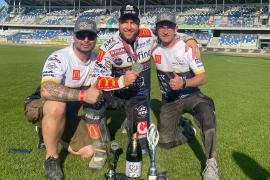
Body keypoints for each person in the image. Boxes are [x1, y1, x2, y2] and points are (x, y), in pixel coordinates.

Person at [92, 4, 199, 162]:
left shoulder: (148, 34)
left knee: (142, 148)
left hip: (138, 95)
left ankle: (135, 121)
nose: (129, 27)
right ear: (118, 23)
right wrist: (121, 80)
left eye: (133, 22)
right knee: (93, 103)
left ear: (139, 23)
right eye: (125, 22)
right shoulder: (107, 47)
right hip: (115, 94)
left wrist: (190, 39)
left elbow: (169, 34)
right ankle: (101, 144)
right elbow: (98, 80)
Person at [152, 12, 219, 180]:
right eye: (161, 26)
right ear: (156, 29)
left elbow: (203, 77)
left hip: (191, 95)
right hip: (170, 101)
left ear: (176, 28)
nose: (165, 30)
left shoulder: (187, 48)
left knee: (206, 113)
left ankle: (211, 163)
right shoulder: (153, 46)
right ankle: (188, 129)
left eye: (169, 26)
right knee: (165, 142)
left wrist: (184, 83)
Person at [40, 18, 102, 180]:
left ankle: (51, 133)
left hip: (69, 113)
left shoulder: (97, 61)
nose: (86, 40)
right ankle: (51, 157)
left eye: (91, 35)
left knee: (89, 151)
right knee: (56, 106)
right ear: (74, 37)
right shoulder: (59, 57)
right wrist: (83, 95)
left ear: (96, 38)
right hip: (44, 106)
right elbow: (46, 90)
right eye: (82, 35)